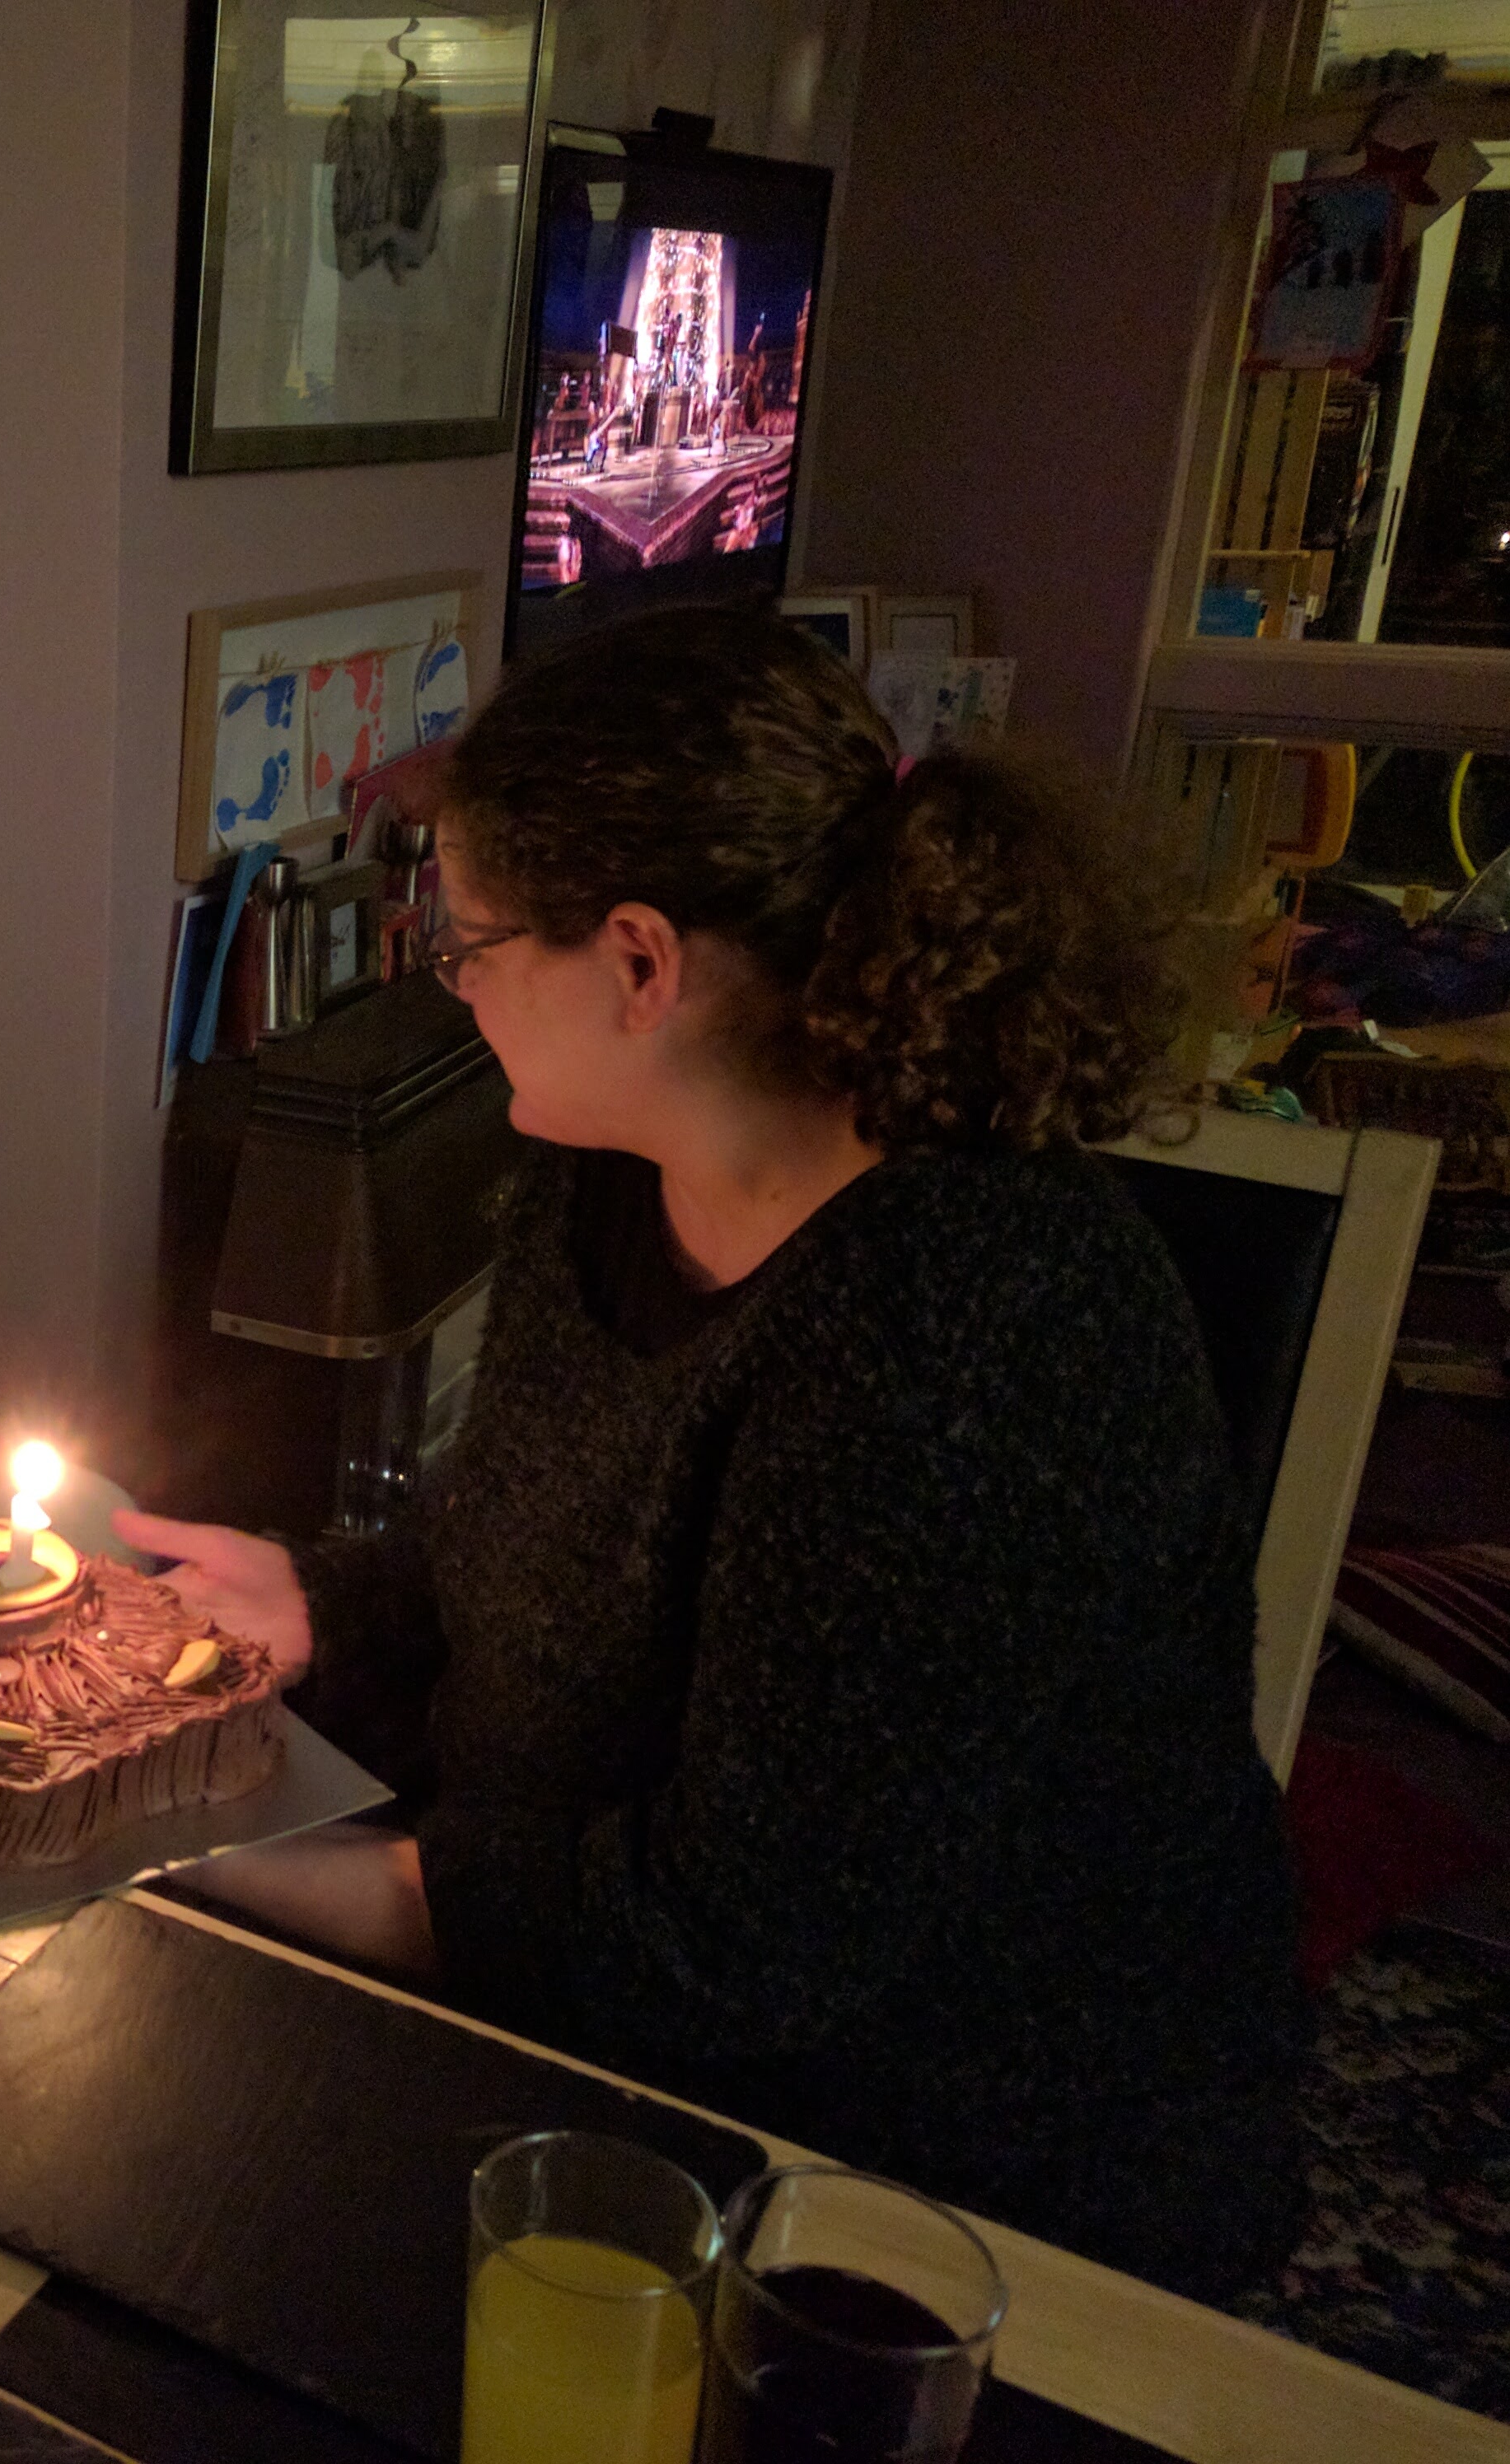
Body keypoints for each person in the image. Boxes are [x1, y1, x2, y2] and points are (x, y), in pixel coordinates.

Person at [120, 607, 1307, 2297]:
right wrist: (320, 1603)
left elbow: (727, 1944)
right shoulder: (608, 1170)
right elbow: (541, 1560)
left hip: (943, 2182)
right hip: (593, 2009)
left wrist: (201, 1852)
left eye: (462, 941)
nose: (449, 986)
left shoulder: (960, 1332)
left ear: (634, 960)